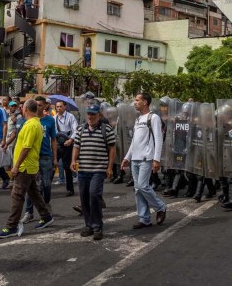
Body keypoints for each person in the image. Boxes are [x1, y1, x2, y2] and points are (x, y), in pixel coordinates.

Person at [0, 99, 54, 238]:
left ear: (26, 109)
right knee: (34, 193)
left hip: (25, 166)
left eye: (22, 107)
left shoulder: (31, 125)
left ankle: (11, 226)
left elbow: (26, 148)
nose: (21, 109)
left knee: (17, 195)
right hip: (29, 166)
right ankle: (46, 216)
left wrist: (16, 166)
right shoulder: (33, 123)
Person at [121, 92, 167, 229]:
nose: (135, 102)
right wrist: (127, 157)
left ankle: (160, 207)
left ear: (145, 102)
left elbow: (158, 139)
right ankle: (144, 218)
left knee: (142, 186)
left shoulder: (154, 118)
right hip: (135, 158)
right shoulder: (138, 119)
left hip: (146, 158)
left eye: (137, 100)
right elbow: (134, 142)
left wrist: (156, 159)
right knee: (137, 189)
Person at [71, 103, 116, 240]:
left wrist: (109, 167)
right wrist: (73, 160)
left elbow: (112, 149)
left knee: (94, 195)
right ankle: (88, 225)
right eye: (89, 114)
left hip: (98, 169)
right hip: (83, 169)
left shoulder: (106, 129)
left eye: (93, 114)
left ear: (99, 115)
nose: (90, 117)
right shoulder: (81, 129)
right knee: (84, 198)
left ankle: (97, 226)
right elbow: (76, 146)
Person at [21, 96, 57, 222]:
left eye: (40, 105)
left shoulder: (50, 121)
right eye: (36, 105)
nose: (37, 107)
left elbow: (53, 140)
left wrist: (55, 157)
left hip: (46, 156)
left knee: (46, 184)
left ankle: (46, 204)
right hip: (32, 157)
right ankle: (29, 212)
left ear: (45, 106)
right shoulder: (29, 121)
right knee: (31, 186)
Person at [54, 100, 79, 195]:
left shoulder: (70, 116)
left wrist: (71, 140)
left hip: (68, 145)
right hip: (58, 144)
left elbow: (75, 130)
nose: (59, 108)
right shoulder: (54, 118)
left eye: (60, 106)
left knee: (67, 168)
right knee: (53, 164)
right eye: (57, 106)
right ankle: (46, 188)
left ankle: (70, 189)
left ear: (64, 107)